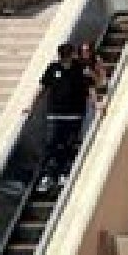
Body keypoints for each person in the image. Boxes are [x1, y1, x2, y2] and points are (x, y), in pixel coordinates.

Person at [33, 43, 94, 192]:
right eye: (64, 56)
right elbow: (42, 87)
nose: (66, 59)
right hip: (55, 114)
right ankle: (48, 175)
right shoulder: (53, 68)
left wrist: (96, 103)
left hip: (74, 114)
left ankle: (64, 173)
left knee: (69, 145)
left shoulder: (79, 69)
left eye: (68, 55)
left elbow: (89, 87)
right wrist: (31, 105)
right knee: (51, 144)